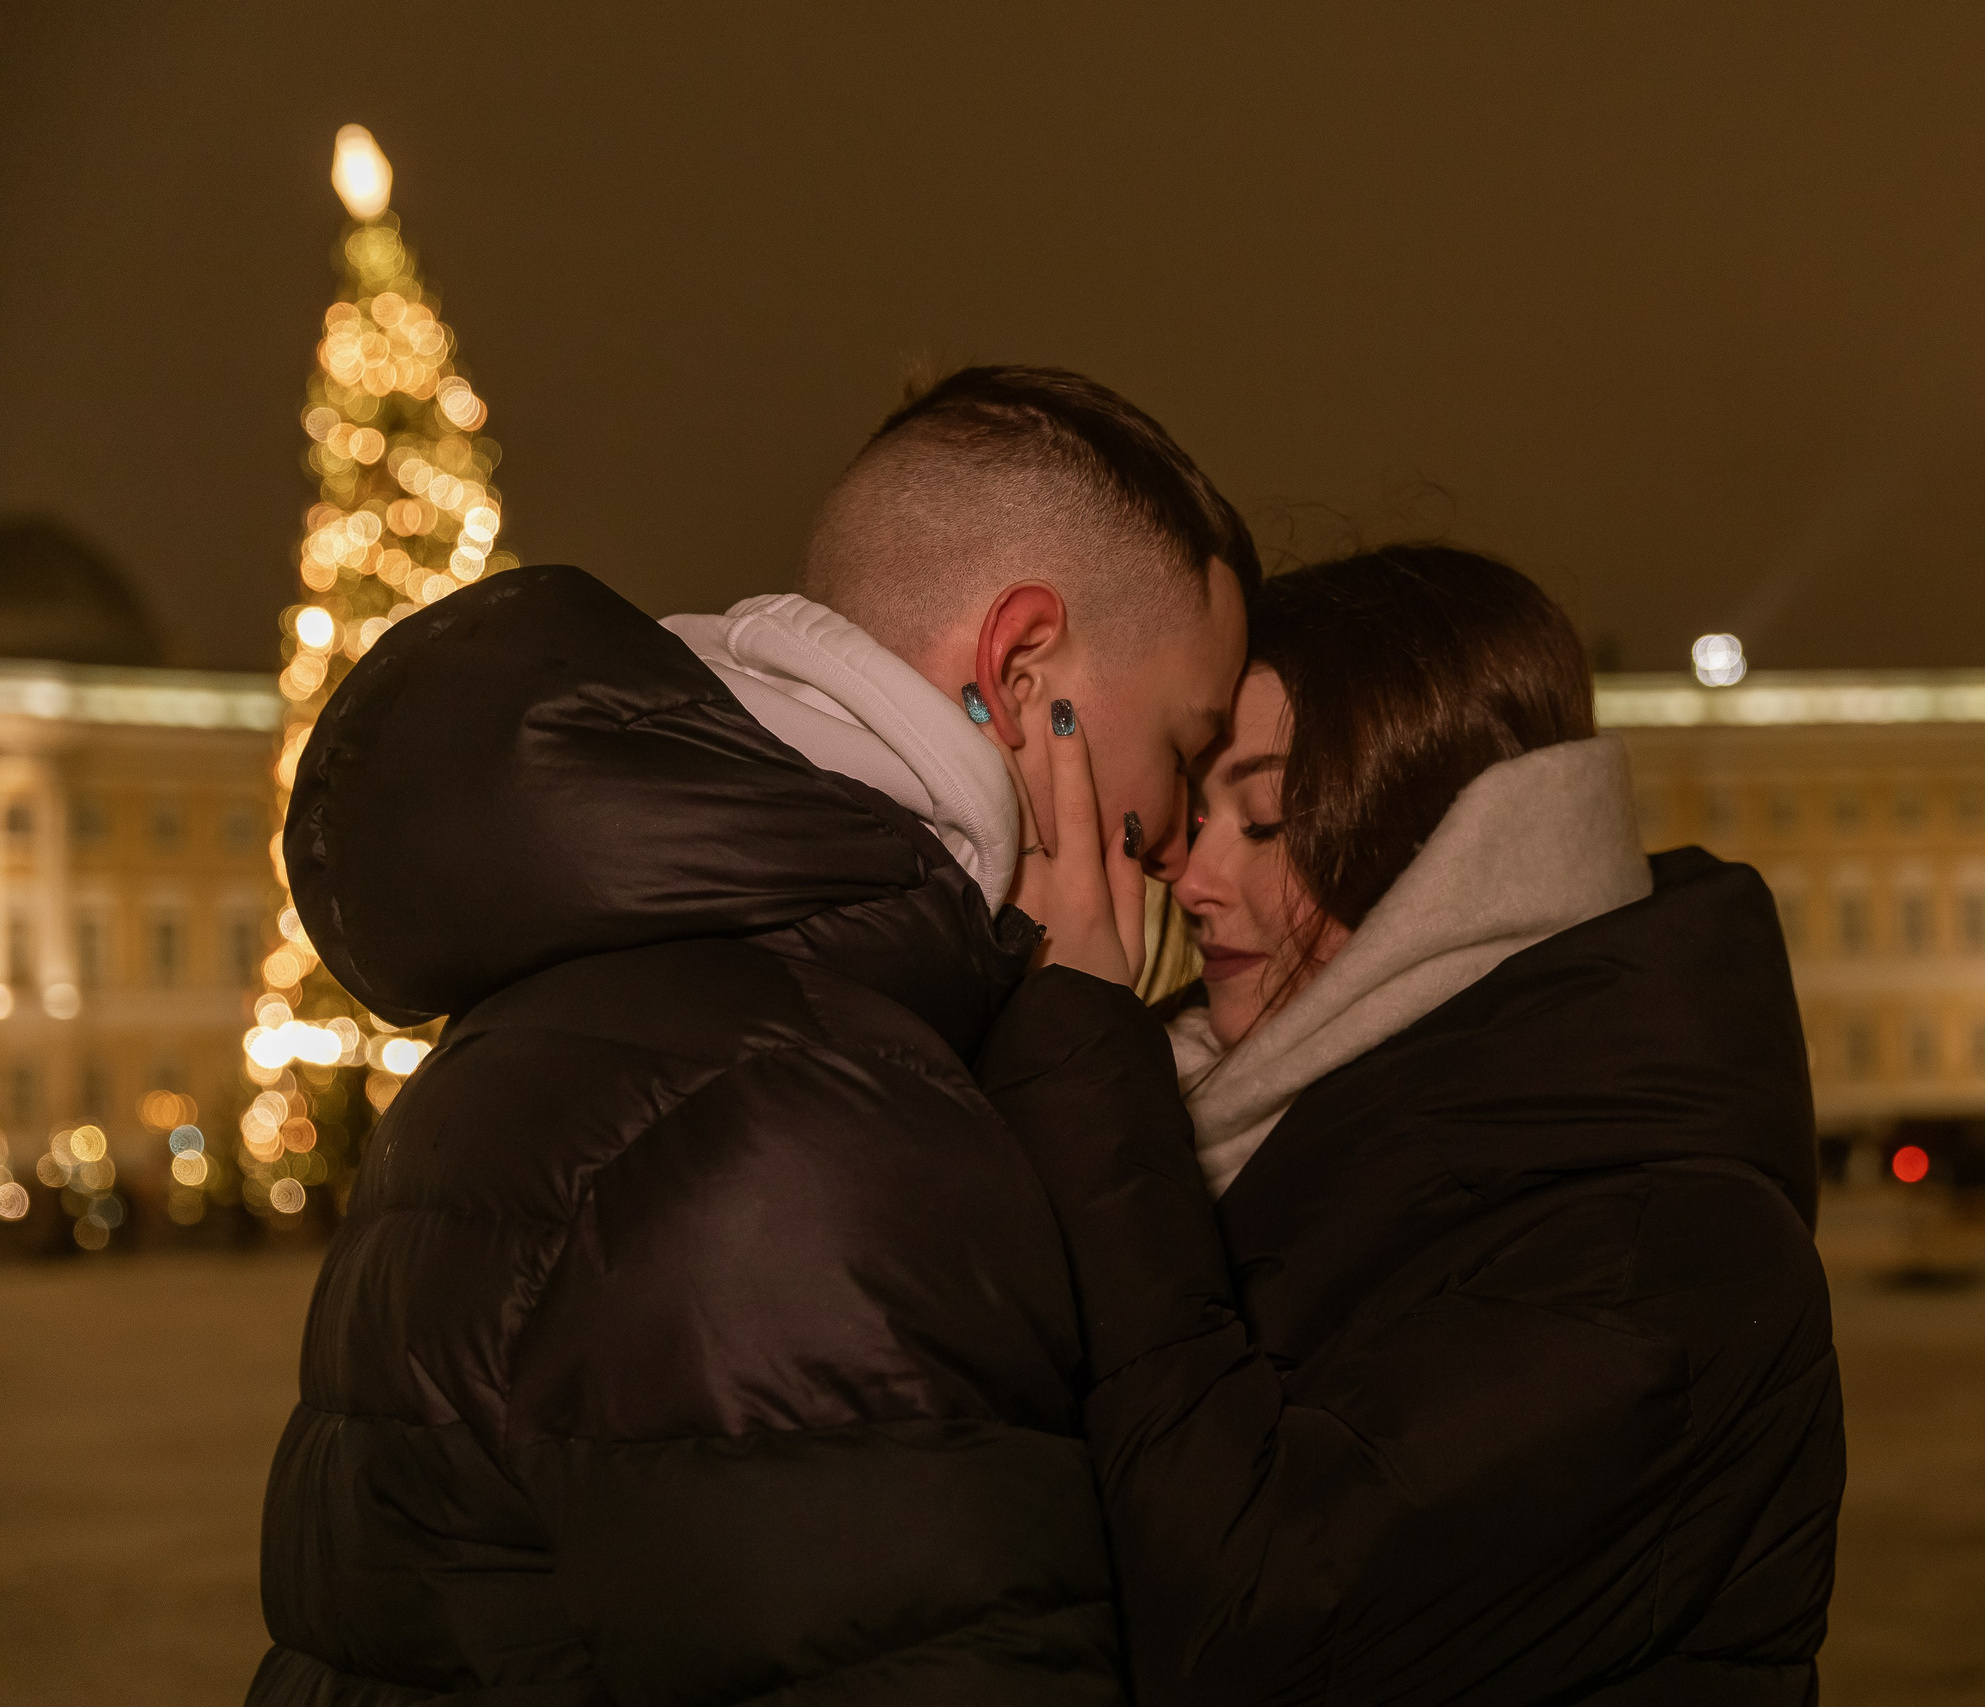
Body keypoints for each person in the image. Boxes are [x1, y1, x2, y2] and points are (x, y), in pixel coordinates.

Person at [249, 367, 1252, 1704]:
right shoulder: (809, 1112)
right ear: (1022, 674)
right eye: (1186, 747)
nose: (1182, 833)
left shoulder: (621, 988)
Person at [987, 545, 1844, 1705]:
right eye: (1197, 814)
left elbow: (1248, 1618)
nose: (1192, 878)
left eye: (1272, 818)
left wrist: (1089, 1078)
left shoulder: (1662, 1249)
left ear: (1459, 861)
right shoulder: (1238, 1121)